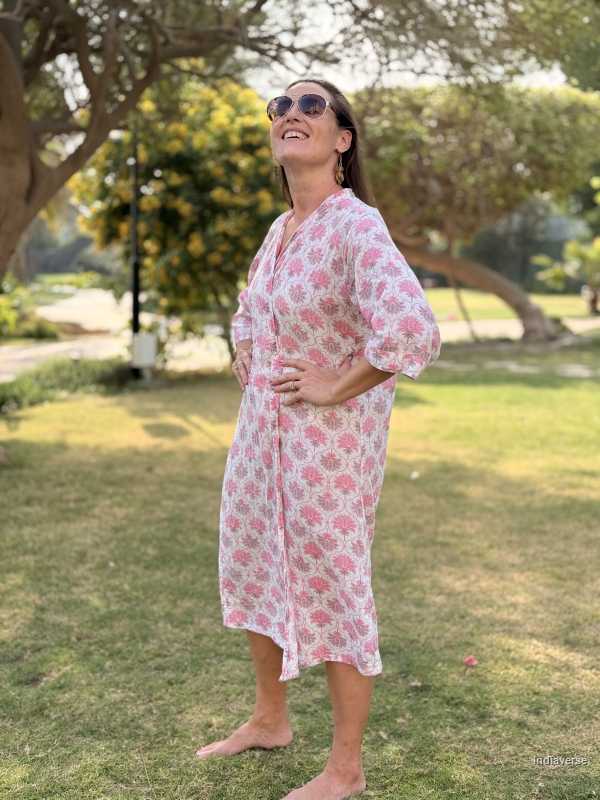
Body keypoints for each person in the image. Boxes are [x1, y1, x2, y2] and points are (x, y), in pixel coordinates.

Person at [195, 78, 442, 800]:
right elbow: (250, 309)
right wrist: (246, 349)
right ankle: (270, 719)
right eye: (280, 108)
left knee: (334, 588)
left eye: (310, 107)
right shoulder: (281, 230)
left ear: (342, 140)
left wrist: (337, 383)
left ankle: (346, 769)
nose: (289, 116)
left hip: (327, 451)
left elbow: (411, 329)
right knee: (252, 562)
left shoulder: (355, 226)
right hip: (258, 444)